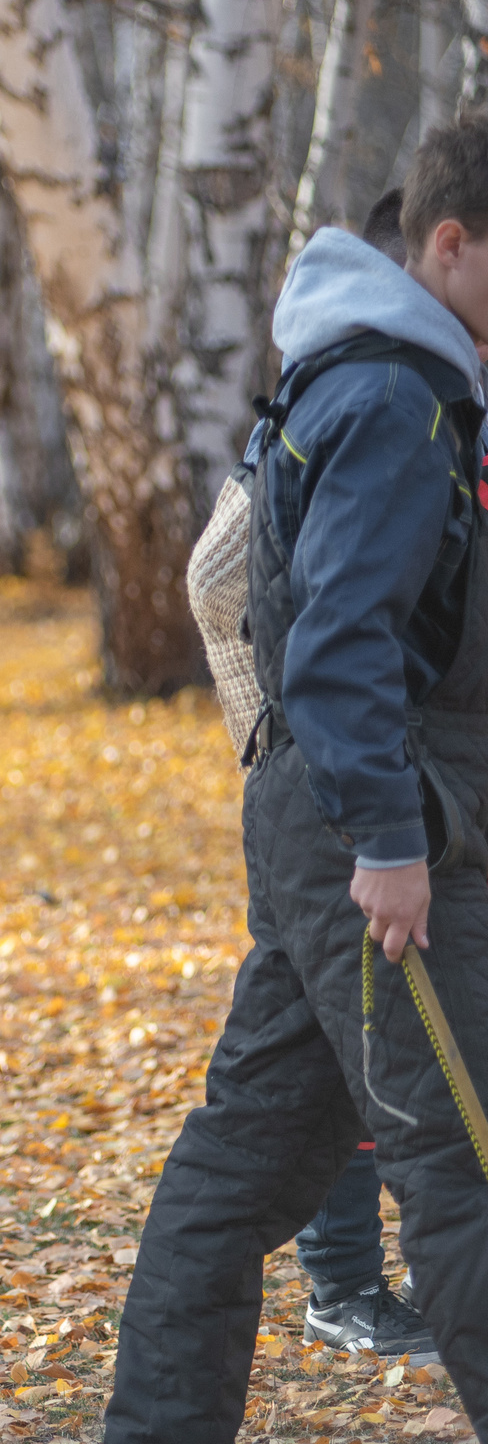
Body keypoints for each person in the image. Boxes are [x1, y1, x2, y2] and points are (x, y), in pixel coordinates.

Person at [95, 123, 488, 1444]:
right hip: (376, 832)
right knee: (463, 1148)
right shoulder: (393, 400)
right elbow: (336, 649)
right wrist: (390, 847)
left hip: (331, 816)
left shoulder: (400, 383)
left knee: (254, 1148)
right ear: (449, 244)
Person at [292, 187, 442, 1370]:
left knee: (279, 1090)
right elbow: (233, 580)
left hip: (393, 773)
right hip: (345, 784)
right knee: (364, 1073)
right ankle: (341, 1283)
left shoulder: (425, 388)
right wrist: (313, 772)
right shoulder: (380, 393)